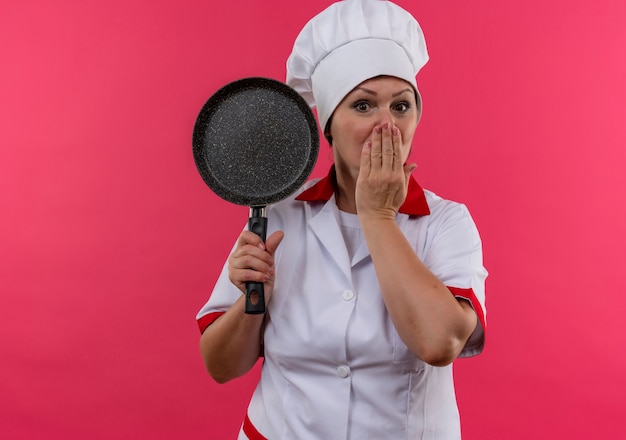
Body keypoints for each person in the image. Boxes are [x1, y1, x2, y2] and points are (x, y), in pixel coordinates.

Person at [196, 1, 487, 438]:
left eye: (401, 106)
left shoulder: (446, 223)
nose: (386, 124)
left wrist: (378, 214)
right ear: (329, 124)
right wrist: (251, 303)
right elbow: (221, 367)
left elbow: (440, 343)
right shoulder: (279, 212)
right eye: (364, 106)